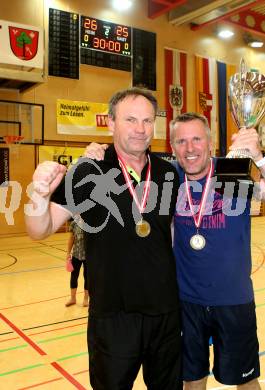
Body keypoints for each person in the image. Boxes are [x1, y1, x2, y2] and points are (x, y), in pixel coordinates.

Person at [85, 112, 265, 389]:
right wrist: (98, 152)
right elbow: (125, 165)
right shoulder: (167, 178)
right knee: (192, 382)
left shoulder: (231, 173)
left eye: (197, 139)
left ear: (210, 143)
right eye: (181, 141)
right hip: (185, 303)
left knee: (246, 383)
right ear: (172, 147)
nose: (190, 148)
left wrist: (259, 156)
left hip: (234, 301)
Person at [25, 87, 182, 390]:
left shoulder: (168, 173)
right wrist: (39, 194)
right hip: (112, 317)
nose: (140, 129)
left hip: (165, 313)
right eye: (131, 120)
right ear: (110, 123)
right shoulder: (88, 171)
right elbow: (39, 229)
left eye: (148, 121)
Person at [65, 217, 89, 307]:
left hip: (88, 256)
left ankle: (86, 299)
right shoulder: (74, 223)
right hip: (76, 254)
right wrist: (68, 253)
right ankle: (73, 298)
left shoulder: (91, 223)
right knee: (74, 276)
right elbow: (71, 238)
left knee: (87, 277)